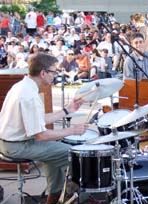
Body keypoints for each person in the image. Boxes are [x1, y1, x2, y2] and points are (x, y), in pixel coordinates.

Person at [0, 53, 87, 204]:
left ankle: (54, 195)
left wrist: (67, 110)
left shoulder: (22, 86)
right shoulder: (29, 95)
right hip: (17, 146)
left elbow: (38, 120)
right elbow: (41, 135)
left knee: (55, 146)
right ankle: (74, 198)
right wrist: (72, 130)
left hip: (9, 142)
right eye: (53, 72)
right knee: (73, 154)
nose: (55, 75)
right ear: (43, 73)